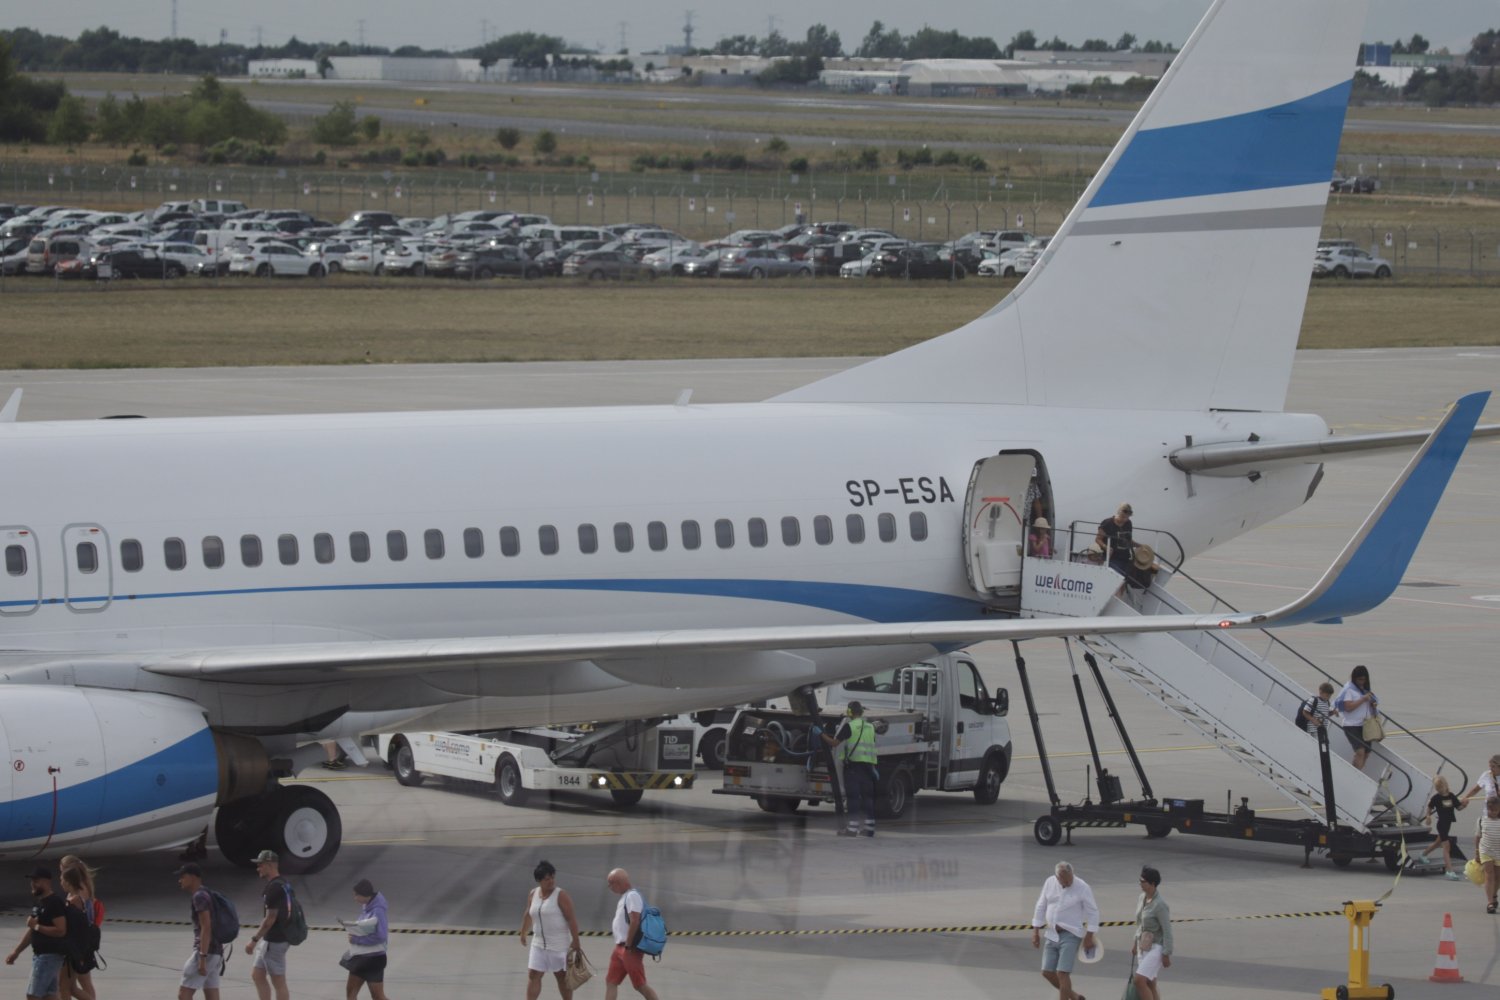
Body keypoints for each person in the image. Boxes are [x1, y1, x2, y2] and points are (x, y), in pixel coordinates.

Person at [1030, 861, 1100, 1000]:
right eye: (1066, 881)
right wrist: (1035, 932)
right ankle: (1074, 996)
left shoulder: (1082, 887)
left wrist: (1089, 936)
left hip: (1071, 934)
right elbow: (1040, 906)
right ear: (1057, 877)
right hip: (1051, 934)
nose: (1069, 883)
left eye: (1070, 879)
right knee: (1047, 972)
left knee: (1062, 973)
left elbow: (1093, 912)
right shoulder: (1049, 882)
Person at [520, 861, 581, 1000]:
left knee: (561, 977)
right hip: (538, 943)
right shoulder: (533, 894)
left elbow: (571, 919)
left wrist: (576, 941)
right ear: (539, 880)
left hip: (558, 945)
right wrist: (523, 932)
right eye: (547, 879)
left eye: (552, 877)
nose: (551, 881)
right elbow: (529, 913)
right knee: (533, 975)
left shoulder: (561, 895)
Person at [6, 867, 70, 1000]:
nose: (33, 884)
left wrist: (36, 926)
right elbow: (31, 930)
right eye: (32, 881)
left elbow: (60, 930)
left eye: (36, 880)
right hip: (43, 957)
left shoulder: (54, 902)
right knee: (49, 996)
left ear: (47, 882)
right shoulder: (40, 903)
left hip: (48, 957)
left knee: (33, 995)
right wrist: (16, 952)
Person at [818, 700, 878, 837]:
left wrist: (821, 734)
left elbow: (834, 743)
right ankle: (869, 829)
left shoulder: (849, 727)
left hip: (854, 768)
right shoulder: (870, 727)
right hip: (869, 768)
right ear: (862, 712)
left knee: (853, 798)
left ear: (849, 712)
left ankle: (852, 829)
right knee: (868, 798)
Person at [603, 869, 659, 1000]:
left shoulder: (632, 896)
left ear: (617, 883)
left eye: (610, 884)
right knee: (611, 981)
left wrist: (628, 946)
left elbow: (635, 920)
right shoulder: (625, 897)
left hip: (630, 948)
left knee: (640, 985)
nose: (610, 888)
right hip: (620, 948)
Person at [244, 850, 292, 1000]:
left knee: (279, 982)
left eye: (260, 865)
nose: (258, 868)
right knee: (257, 975)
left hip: (275, 940)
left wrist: (254, 940)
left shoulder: (274, 888)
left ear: (270, 865)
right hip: (273, 939)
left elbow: (270, 918)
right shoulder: (284, 883)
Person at [176, 863, 223, 1000]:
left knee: (183, 994)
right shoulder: (207, 892)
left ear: (192, 877)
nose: (180, 880)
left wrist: (202, 957)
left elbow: (206, 927)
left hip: (205, 952)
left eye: (182, 877)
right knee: (211, 992)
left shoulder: (199, 897)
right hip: (216, 951)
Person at [342, 878, 389, 1000]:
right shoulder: (367, 907)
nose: (355, 898)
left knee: (378, 996)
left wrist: (357, 940)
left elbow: (381, 936)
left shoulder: (378, 911)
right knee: (351, 993)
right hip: (361, 958)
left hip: (374, 960)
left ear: (364, 895)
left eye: (356, 895)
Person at [1131, 866, 1173, 1000]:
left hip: (1156, 947)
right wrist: (1135, 943)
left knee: (1139, 980)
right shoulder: (1141, 898)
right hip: (1143, 946)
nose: (1140, 883)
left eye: (1143, 881)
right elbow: (1140, 924)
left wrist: (1166, 953)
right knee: (1150, 983)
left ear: (1152, 884)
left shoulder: (1160, 905)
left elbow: (1167, 930)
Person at [1413, 776, 1465, 879]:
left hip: (1448, 823)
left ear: (1446, 786)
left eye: (1441, 788)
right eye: (1438, 789)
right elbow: (1429, 807)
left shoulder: (1451, 796)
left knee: (1438, 842)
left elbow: (1459, 807)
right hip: (1441, 824)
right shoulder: (1436, 798)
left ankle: (1423, 854)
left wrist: (1465, 804)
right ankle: (1449, 870)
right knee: (1446, 846)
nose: (1440, 790)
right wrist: (1428, 816)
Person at [57, 868, 97, 1000]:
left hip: (73, 949)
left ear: (68, 881)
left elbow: (75, 926)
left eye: (62, 879)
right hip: (73, 948)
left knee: (64, 987)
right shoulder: (71, 897)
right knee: (70, 987)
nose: (60, 882)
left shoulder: (74, 900)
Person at [1335, 665, 1379, 770]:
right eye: (1359, 679)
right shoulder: (1349, 690)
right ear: (1354, 678)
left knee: (1367, 753)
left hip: (1364, 725)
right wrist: (1363, 699)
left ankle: (1358, 773)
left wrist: (1373, 704)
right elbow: (1348, 707)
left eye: (1364, 680)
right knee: (1360, 752)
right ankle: (1354, 775)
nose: (1361, 682)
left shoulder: (1365, 690)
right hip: (1351, 725)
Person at [1097, 503, 1135, 577]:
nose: (1125, 519)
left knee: (1125, 580)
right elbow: (1098, 539)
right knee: (1117, 577)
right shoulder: (1107, 523)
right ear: (1119, 512)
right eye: (1123, 516)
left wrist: (1141, 546)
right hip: (1112, 558)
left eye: (1127, 517)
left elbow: (1128, 541)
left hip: (1125, 557)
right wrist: (1106, 547)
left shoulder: (1128, 523)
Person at [1476, 797, 1500, 914]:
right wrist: (1477, 852)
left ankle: (1494, 895)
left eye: (1495, 810)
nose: (1493, 812)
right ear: (1487, 809)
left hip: (1498, 852)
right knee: (1489, 875)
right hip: (1486, 851)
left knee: (1497, 877)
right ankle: (1490, 902)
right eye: (1490, 810)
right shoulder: (1482, 820)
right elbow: (1478, 837)